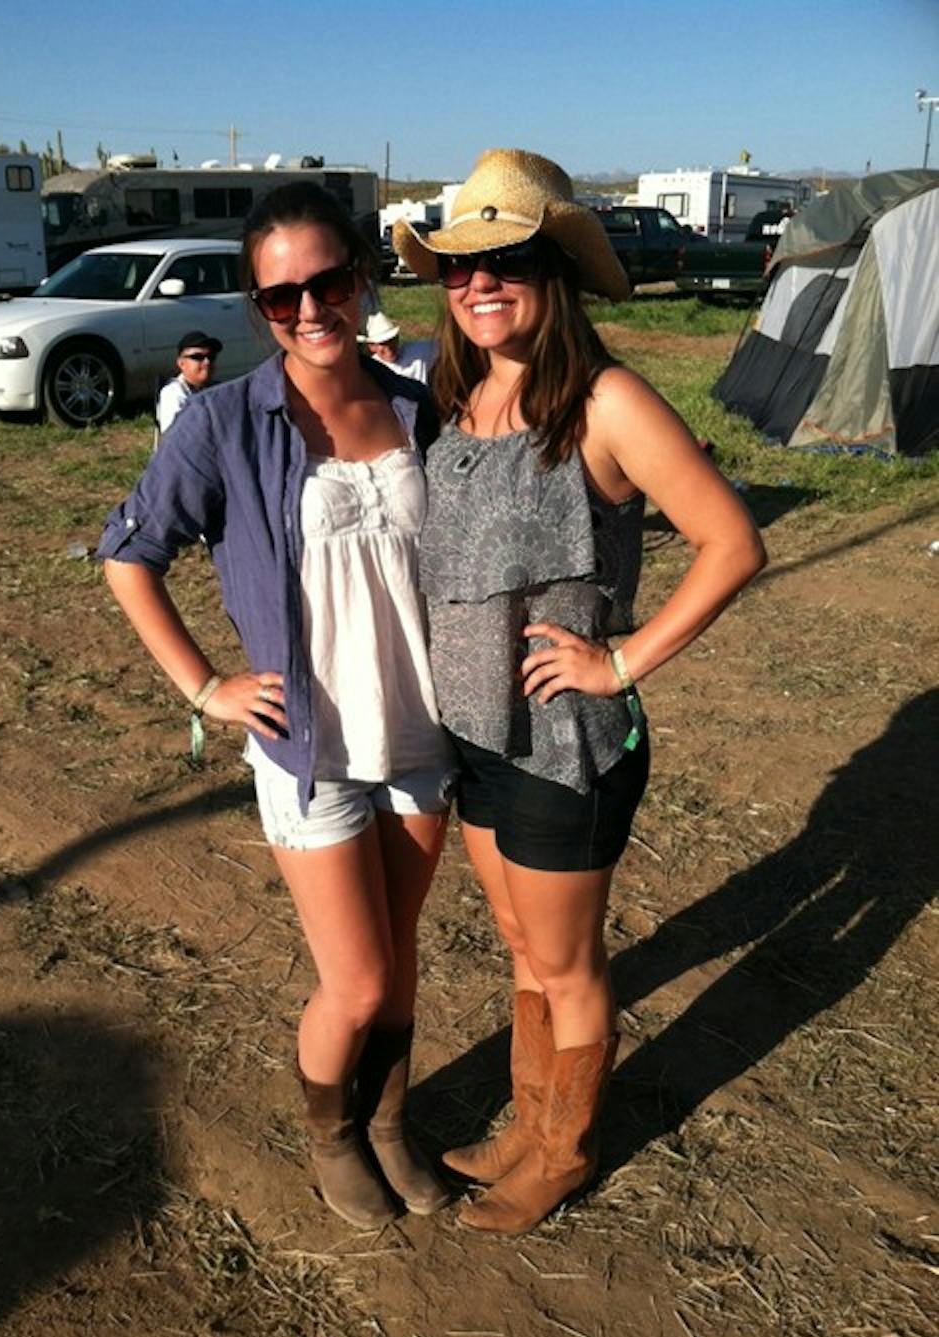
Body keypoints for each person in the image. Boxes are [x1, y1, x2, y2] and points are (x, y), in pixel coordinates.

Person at [393, 149, 766, 1235]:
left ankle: (563, 1148)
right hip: (474, 731)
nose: (477, 284)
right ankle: (525, 1118)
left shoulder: (602, 399)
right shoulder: (457, 398)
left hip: (566, 741)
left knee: (566, 958)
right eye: (460, 268)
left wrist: (621, 658)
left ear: (552, 267)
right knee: (523, 947)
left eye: (505, 259)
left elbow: (730, 541)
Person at [98, 182, 453, 1229]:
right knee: (353, 980)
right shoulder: (220, 423)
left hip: (422, 733)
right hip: (309, 744)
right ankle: (332, 1134)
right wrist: (204, 683)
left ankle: (392, 1125)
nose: (308, 308)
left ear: (359, 276)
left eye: (326, 281)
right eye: (280, 294)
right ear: (259, 307)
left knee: (399, 970)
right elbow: (130, 554)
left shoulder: (413, 403)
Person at [155, 330, 223, 437]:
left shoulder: (220, 391)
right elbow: (176, 438)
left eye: (211, 357)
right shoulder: (173, 394)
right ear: (181, 363)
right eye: (197, 357)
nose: (207, 362)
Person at [361, 309, 435, 384]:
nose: (388, 347)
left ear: (397, 338)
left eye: (391, 340)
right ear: (372, 347)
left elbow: (444, 344)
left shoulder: (418, 352)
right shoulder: (371, 371)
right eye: (383, 343)